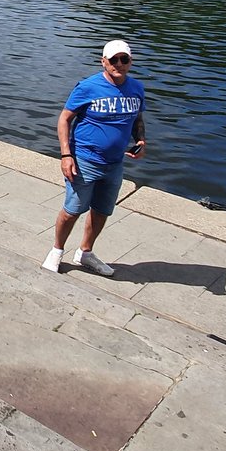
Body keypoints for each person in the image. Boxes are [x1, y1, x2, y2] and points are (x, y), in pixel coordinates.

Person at [43, 39, 146, 276]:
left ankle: (85, 253)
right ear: (104, 62)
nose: (119, 64)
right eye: (114, 60)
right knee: (72, 210)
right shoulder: (88, 87)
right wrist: (66, 155)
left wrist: (140, 140)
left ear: (130, 62)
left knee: (102, 210)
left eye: (124, 59)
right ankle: (56, 251)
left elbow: (137, 119)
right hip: (84, 160)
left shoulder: (137, 88)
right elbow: (64, 119)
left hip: (115, 163)